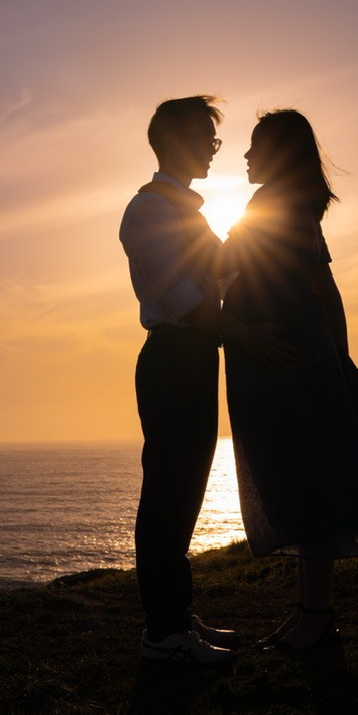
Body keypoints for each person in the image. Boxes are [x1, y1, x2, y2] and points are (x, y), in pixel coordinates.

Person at [222, 109, 358, 652]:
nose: (245, 156)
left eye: (254, 146)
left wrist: (337, 365)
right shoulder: (288, 205)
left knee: (307, 487)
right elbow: (325, 288)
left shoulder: (277, 204)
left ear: (278, 153)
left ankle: (315, 618)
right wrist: (338, 361)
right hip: (291, 358)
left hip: (288, 362)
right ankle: (309, 614)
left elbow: (314, 287)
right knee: (303, 484)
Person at [119, 95, 292, 665]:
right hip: (174, 357)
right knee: (168, 492)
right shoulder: (148, 211)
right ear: (170, 140)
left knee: (185, 490)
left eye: (213, 141)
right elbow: (190, 301)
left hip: (193, 358)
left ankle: (175, 619)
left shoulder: (185, 209)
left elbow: (225, 266)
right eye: (203, 138)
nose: (212, 150)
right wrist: (247, 334)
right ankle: (164, 635)